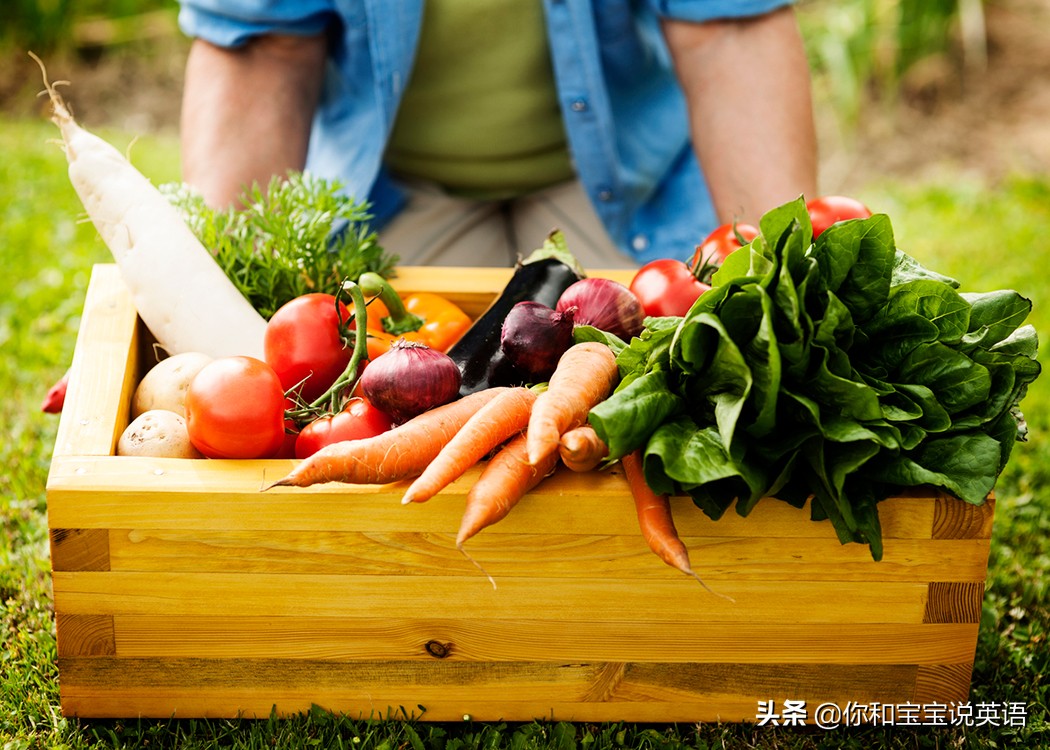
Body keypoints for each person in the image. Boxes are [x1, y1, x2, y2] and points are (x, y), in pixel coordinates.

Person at [176, 1, 817, 269]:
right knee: (384, 392)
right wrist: (213, 298)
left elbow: (726, 31)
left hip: (628, 180)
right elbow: (265, 48)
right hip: (391, 188)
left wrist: (787, 279)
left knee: (677, 386)